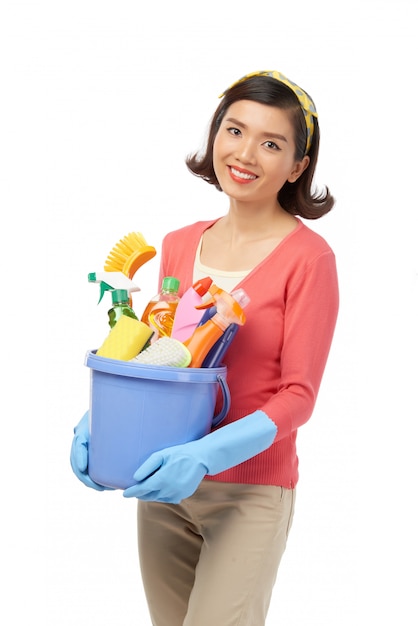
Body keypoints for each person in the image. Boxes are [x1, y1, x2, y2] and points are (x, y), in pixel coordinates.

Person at [71, 70, 339, 626]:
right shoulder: (177, 244)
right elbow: (159, 362)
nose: (245, 153)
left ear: (297, 166)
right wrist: (97, 422)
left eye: (272, 143)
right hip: (161, 484)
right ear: (214, 134)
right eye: (234, 130)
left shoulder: (309, 260)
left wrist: (205, 455)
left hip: (250, 494)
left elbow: (299, 397)